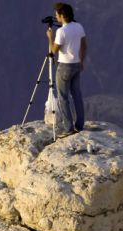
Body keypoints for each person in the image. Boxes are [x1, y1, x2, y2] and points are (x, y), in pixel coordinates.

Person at [46, 3, 87, 137]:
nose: (56, 17)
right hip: (76, 64)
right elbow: (84, 44)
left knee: (63, 98)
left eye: (57, 14)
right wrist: (81, 60)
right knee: (77, 96)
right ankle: (79, 126)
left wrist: (49, 37)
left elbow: (53, 51)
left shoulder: (61, 31)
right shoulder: (79, 26)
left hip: (64, 66)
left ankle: (68, 128)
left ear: (62, 15)